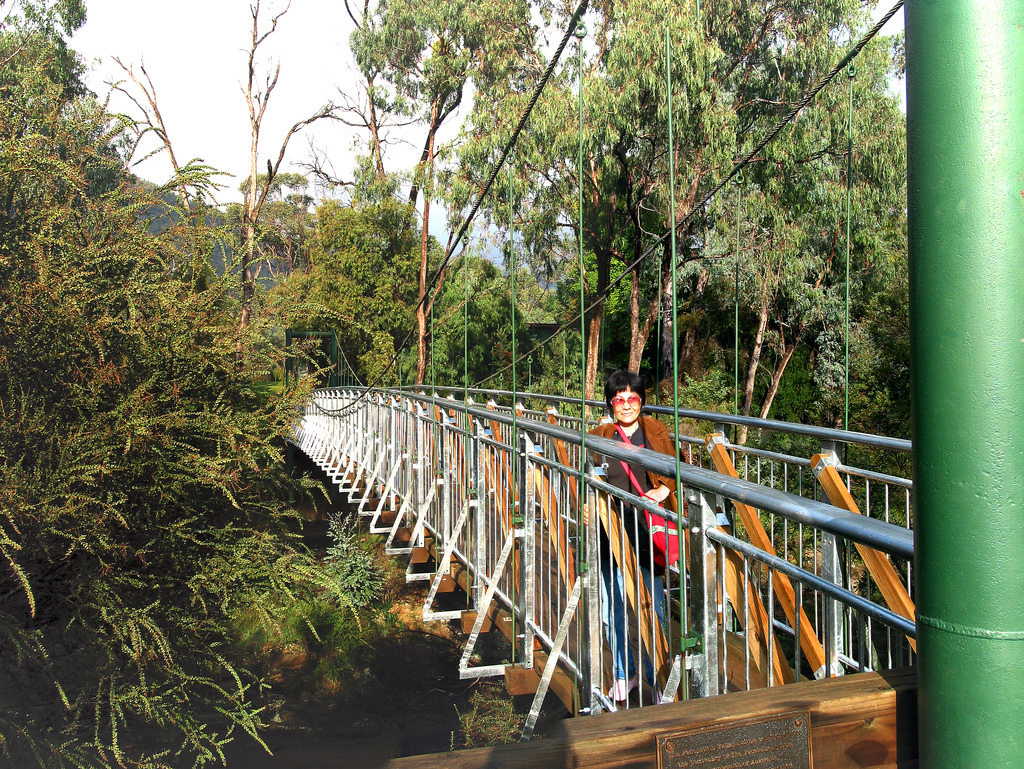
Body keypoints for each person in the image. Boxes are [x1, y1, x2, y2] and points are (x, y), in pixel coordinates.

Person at [586, 369, 680, 703]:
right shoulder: (599, 435)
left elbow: (675, 470)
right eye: (619, 399)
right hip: (610, 531)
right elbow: (584, 477)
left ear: (641, 401)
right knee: (614, 609)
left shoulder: (655, 432)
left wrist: (663, 490)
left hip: (646, 533)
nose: (626, 405)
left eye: (633, 398)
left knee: (652, 607)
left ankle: (658, 680)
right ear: (611, 404)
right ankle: (625, 675)